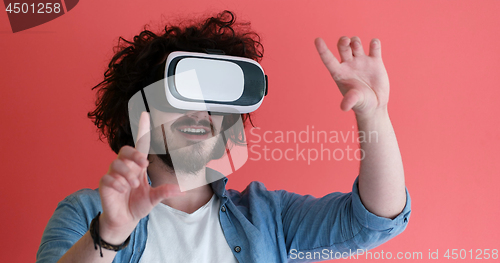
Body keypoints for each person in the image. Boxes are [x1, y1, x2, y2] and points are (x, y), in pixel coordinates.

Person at [36, 10, 411, 263]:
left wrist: (374, 114)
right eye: (181, 95)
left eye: (216, 100)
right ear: (140, 113)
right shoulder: (88, 213)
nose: (202, 112)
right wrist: (109, 235)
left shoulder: (270, 219)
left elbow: (374, 220)